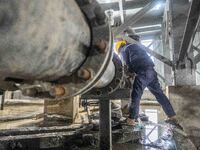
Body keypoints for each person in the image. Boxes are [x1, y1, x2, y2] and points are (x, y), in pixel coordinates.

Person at [115, 27, 179, 127]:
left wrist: (128, 74)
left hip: (142, 73)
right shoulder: (137, 45)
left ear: (119, 47)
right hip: (152, 72)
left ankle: (131, 119)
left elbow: (128, 65)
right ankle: (172, 116)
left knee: (135, 96)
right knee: (160, 95)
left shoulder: (124, 49)